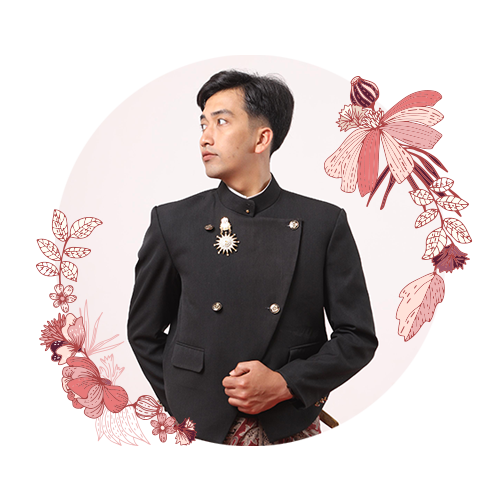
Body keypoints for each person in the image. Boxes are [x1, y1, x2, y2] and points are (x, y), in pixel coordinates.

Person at [127, 70, 378, 446]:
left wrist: (286, 383)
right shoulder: (173, 222)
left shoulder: (324, 224)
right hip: (199, 431)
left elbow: (357, 338)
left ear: (262, 138)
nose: (205, 137)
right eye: (203, 124)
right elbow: (143, 332)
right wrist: (191, 404)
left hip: (289, 427)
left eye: (221, 122)